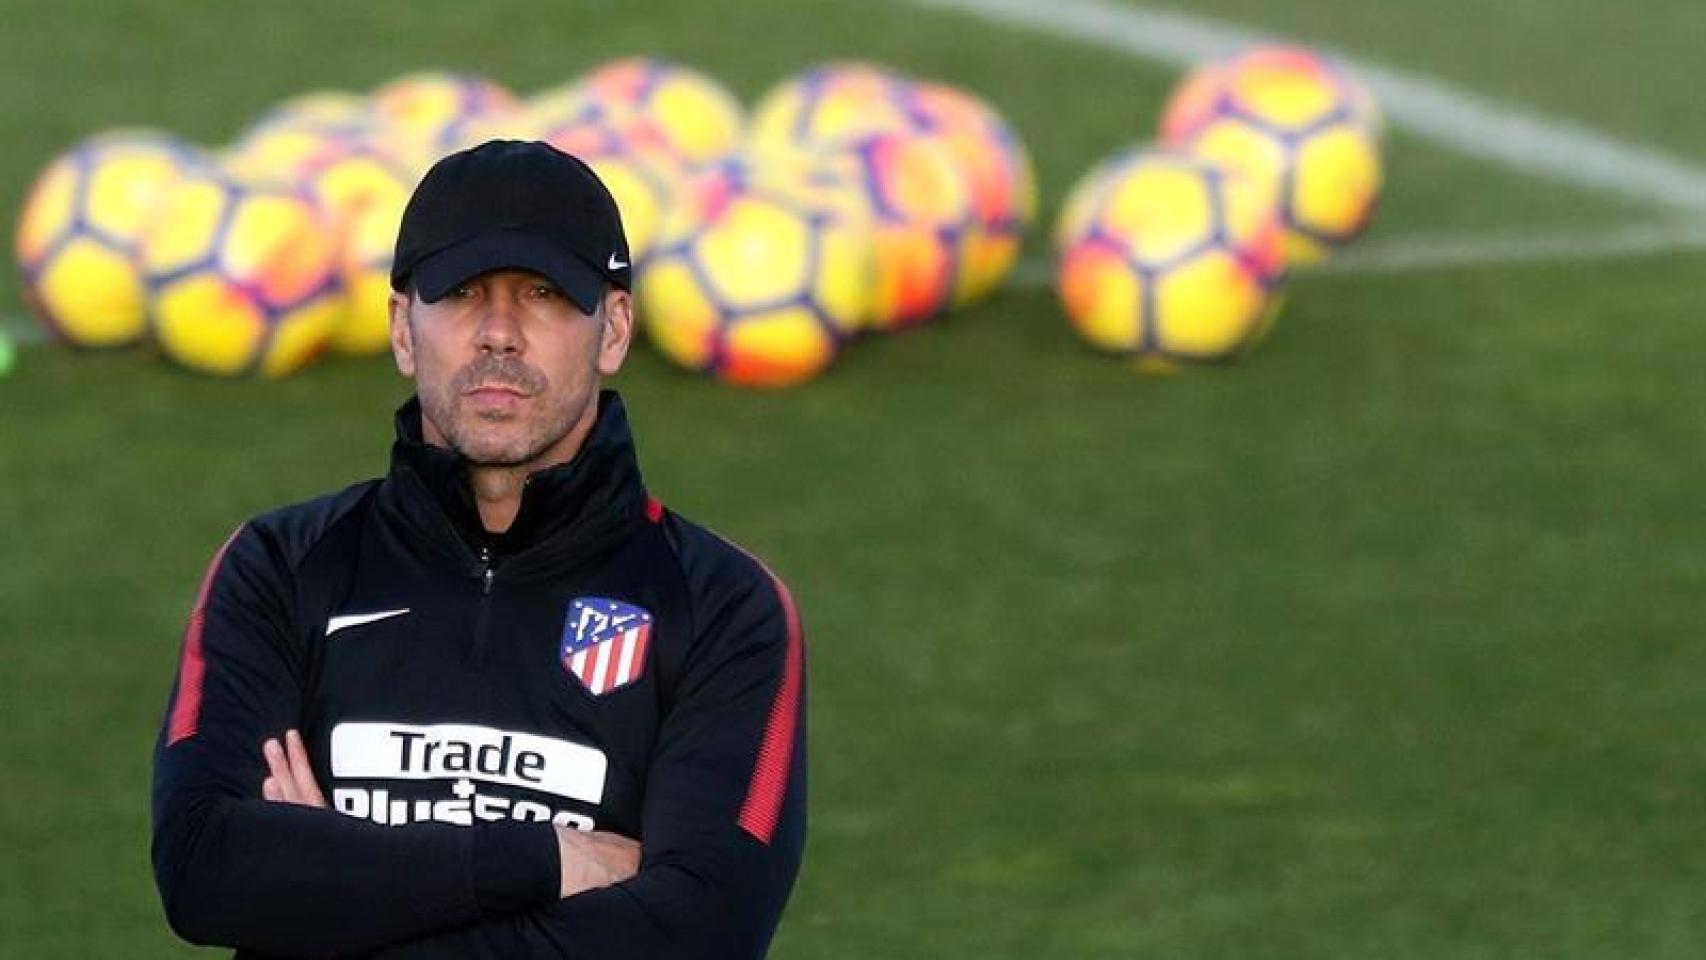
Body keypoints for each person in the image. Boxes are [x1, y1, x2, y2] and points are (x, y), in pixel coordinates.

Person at [151, 140, 807, 959]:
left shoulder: (725, 606)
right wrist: (547, 861)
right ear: (402, 329)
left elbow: (700, 933)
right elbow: (204, 866)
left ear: (612, 330)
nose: (500, 333)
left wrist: (330, 893)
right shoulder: (279, 566)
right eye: (462, 293)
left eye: (543, 294)